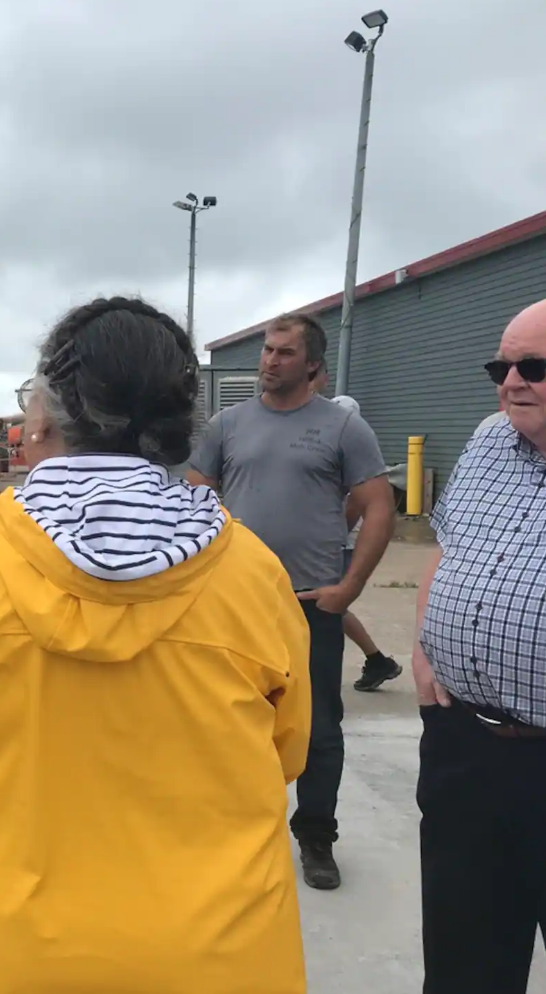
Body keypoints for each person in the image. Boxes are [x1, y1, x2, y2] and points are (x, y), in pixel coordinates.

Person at [0, 297, 312, 994]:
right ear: (179, 424)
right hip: (207, 957)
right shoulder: (254, 575)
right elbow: (287, 750)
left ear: (44, 415)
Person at [186, 312, 394, 891]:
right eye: (267, 350)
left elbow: (379, 506)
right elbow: (198, 498)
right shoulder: (228, 425)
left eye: (282, 352)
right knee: (224, 722)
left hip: (310, 607)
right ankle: (229, 830)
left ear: (312, 366)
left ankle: (316, 837)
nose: (269, 360)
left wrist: (348, 588)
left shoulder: (342, 428)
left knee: (319, 729)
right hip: (236, 605)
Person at [412, 298, 546, 994]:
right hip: (468, 746)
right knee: (466, 965)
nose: (511, 382)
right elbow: (448, 542)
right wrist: (424, 649)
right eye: (502, 365)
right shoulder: (491, 439)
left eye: (535, 367)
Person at [328, 395, 403, 691]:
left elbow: (359, 503)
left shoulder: (351, 452)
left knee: (328, 608)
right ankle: (377, 661)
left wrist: (333, 537)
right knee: (330, 609)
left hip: (342, 545)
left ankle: (376, 661)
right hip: (341, 543)